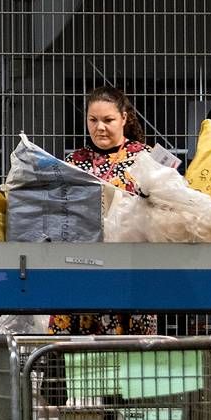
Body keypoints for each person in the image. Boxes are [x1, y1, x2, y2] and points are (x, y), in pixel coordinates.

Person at [52, 86, 156, 336]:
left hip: (132, 269)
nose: (100, 127)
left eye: (108, 120)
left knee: (131, 357)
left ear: (124, 118)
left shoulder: (146, 158)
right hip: (82, 270)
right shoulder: (74, 162)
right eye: (93, 120)